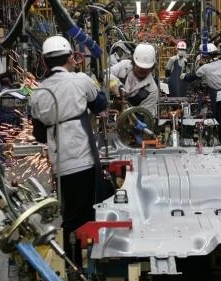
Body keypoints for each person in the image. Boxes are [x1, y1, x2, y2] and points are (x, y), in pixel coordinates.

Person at [30, 35, 108, 259]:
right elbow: (100, 104)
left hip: (60, 165)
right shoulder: (81, 80)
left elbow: (39, 134)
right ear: (70, 58)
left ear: (44, 62)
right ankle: (78, 262)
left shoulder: (38, 92)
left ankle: (75, 259)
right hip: (83, 160)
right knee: (86, 214)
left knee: (70, 211)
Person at [186, 43, 221, 145]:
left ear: (206, 56)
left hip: (220, 98)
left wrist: (184, 76)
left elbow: (193, 77)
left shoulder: (205, 67)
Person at [110, 43, 160, 117]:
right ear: (133, 62)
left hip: (131, 120)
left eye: (146, 69)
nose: (142, 70)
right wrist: (118, 86)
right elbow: (105, 75)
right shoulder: (124, 66)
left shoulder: (152, 91)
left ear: (152, 68)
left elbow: (145, 116)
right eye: (140, 67)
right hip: (110, 112)